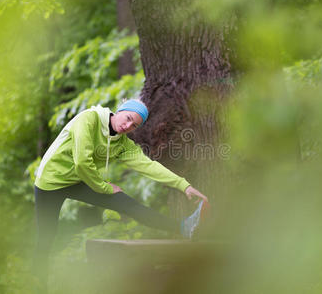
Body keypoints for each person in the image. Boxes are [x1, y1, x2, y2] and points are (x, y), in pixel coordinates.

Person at [32, 99, 208, 288]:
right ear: (120, 110)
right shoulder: (88, 119)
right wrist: (104, 187)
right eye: (128, 118)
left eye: (134, 125)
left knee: (128, 204)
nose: (128, 126)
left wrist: (184, 186)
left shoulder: (122, 144)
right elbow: (81, 162)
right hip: (51, 182)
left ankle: (183, 227)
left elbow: (149, 166)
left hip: (80, 180)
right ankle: (38, 285)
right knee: (47, 235)